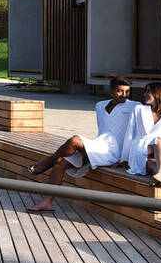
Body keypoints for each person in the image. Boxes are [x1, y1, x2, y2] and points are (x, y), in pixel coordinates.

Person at [27, 77, 138, 213]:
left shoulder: (135, 107)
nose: (124, 95)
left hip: (113, 151)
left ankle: (47, 161)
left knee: (75, 140)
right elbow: (103, 129)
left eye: (127, 92)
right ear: (111, 91)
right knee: (60, 162)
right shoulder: (100, 105)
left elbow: (146, 126)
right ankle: (46, 203)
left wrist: (126, 158)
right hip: (99, 144)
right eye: (120, 91)